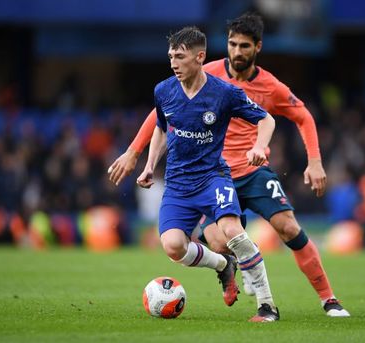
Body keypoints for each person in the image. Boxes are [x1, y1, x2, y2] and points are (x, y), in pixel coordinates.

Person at [109, 13, 349, 317]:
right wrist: (135, 153)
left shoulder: (268, 87)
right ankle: (232, 268)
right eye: (232, 44)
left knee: (287, 226)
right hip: (208, 174)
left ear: (257, 47)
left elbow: (301, 116)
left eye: (244, 46)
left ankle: (327, 299)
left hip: (249, 171)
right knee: (219, 243)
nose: (236, 51)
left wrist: (314, 161)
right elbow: (161, 117)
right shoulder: (199, 73)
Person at [125, 26, 280, 322]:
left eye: (180, 56)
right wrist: (148, 165)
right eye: (171, 56)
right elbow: (161, 126)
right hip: (178, 185)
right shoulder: (164, 90)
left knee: (232, 232)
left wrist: (260, 146)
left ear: (199, 57)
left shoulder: (224, 94)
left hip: (213, 178)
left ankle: (267, 306)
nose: (173, 63)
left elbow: (267, 119)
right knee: (173, 247)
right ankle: (223, 266)